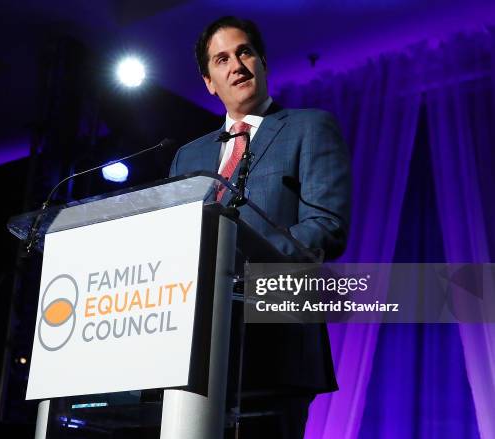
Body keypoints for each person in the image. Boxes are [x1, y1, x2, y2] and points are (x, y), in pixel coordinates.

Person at [169, 16, 351, 438]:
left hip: (276, 341)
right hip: (194, 351)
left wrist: (239, 258)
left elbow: (326, 226)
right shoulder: (186, 158)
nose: (236, 65)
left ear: (263, 62)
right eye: (222, 59)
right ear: (209, 82)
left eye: (244, 51)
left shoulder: (309, 127)